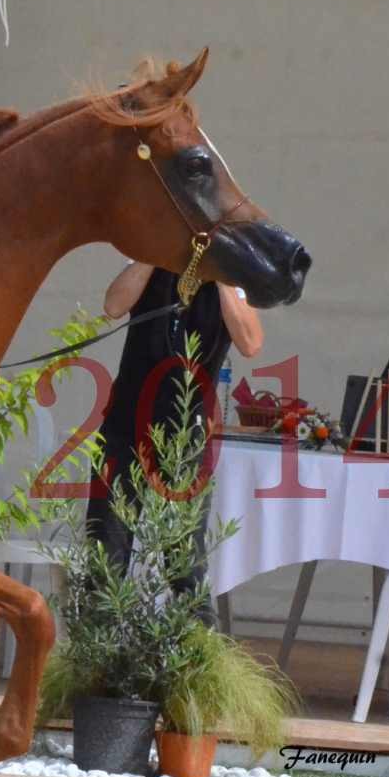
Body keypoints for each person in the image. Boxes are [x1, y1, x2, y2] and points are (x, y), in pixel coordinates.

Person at [84, 260, 264, 610]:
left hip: (186, 435)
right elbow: (113, 306)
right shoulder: (151, 264)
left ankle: (196, 653)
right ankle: (98, 653)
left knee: (185, 564)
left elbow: (251, 342)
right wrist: (155, 255)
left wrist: (222, 277)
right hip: (126, 426)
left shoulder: (232, 281)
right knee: (108, 555)